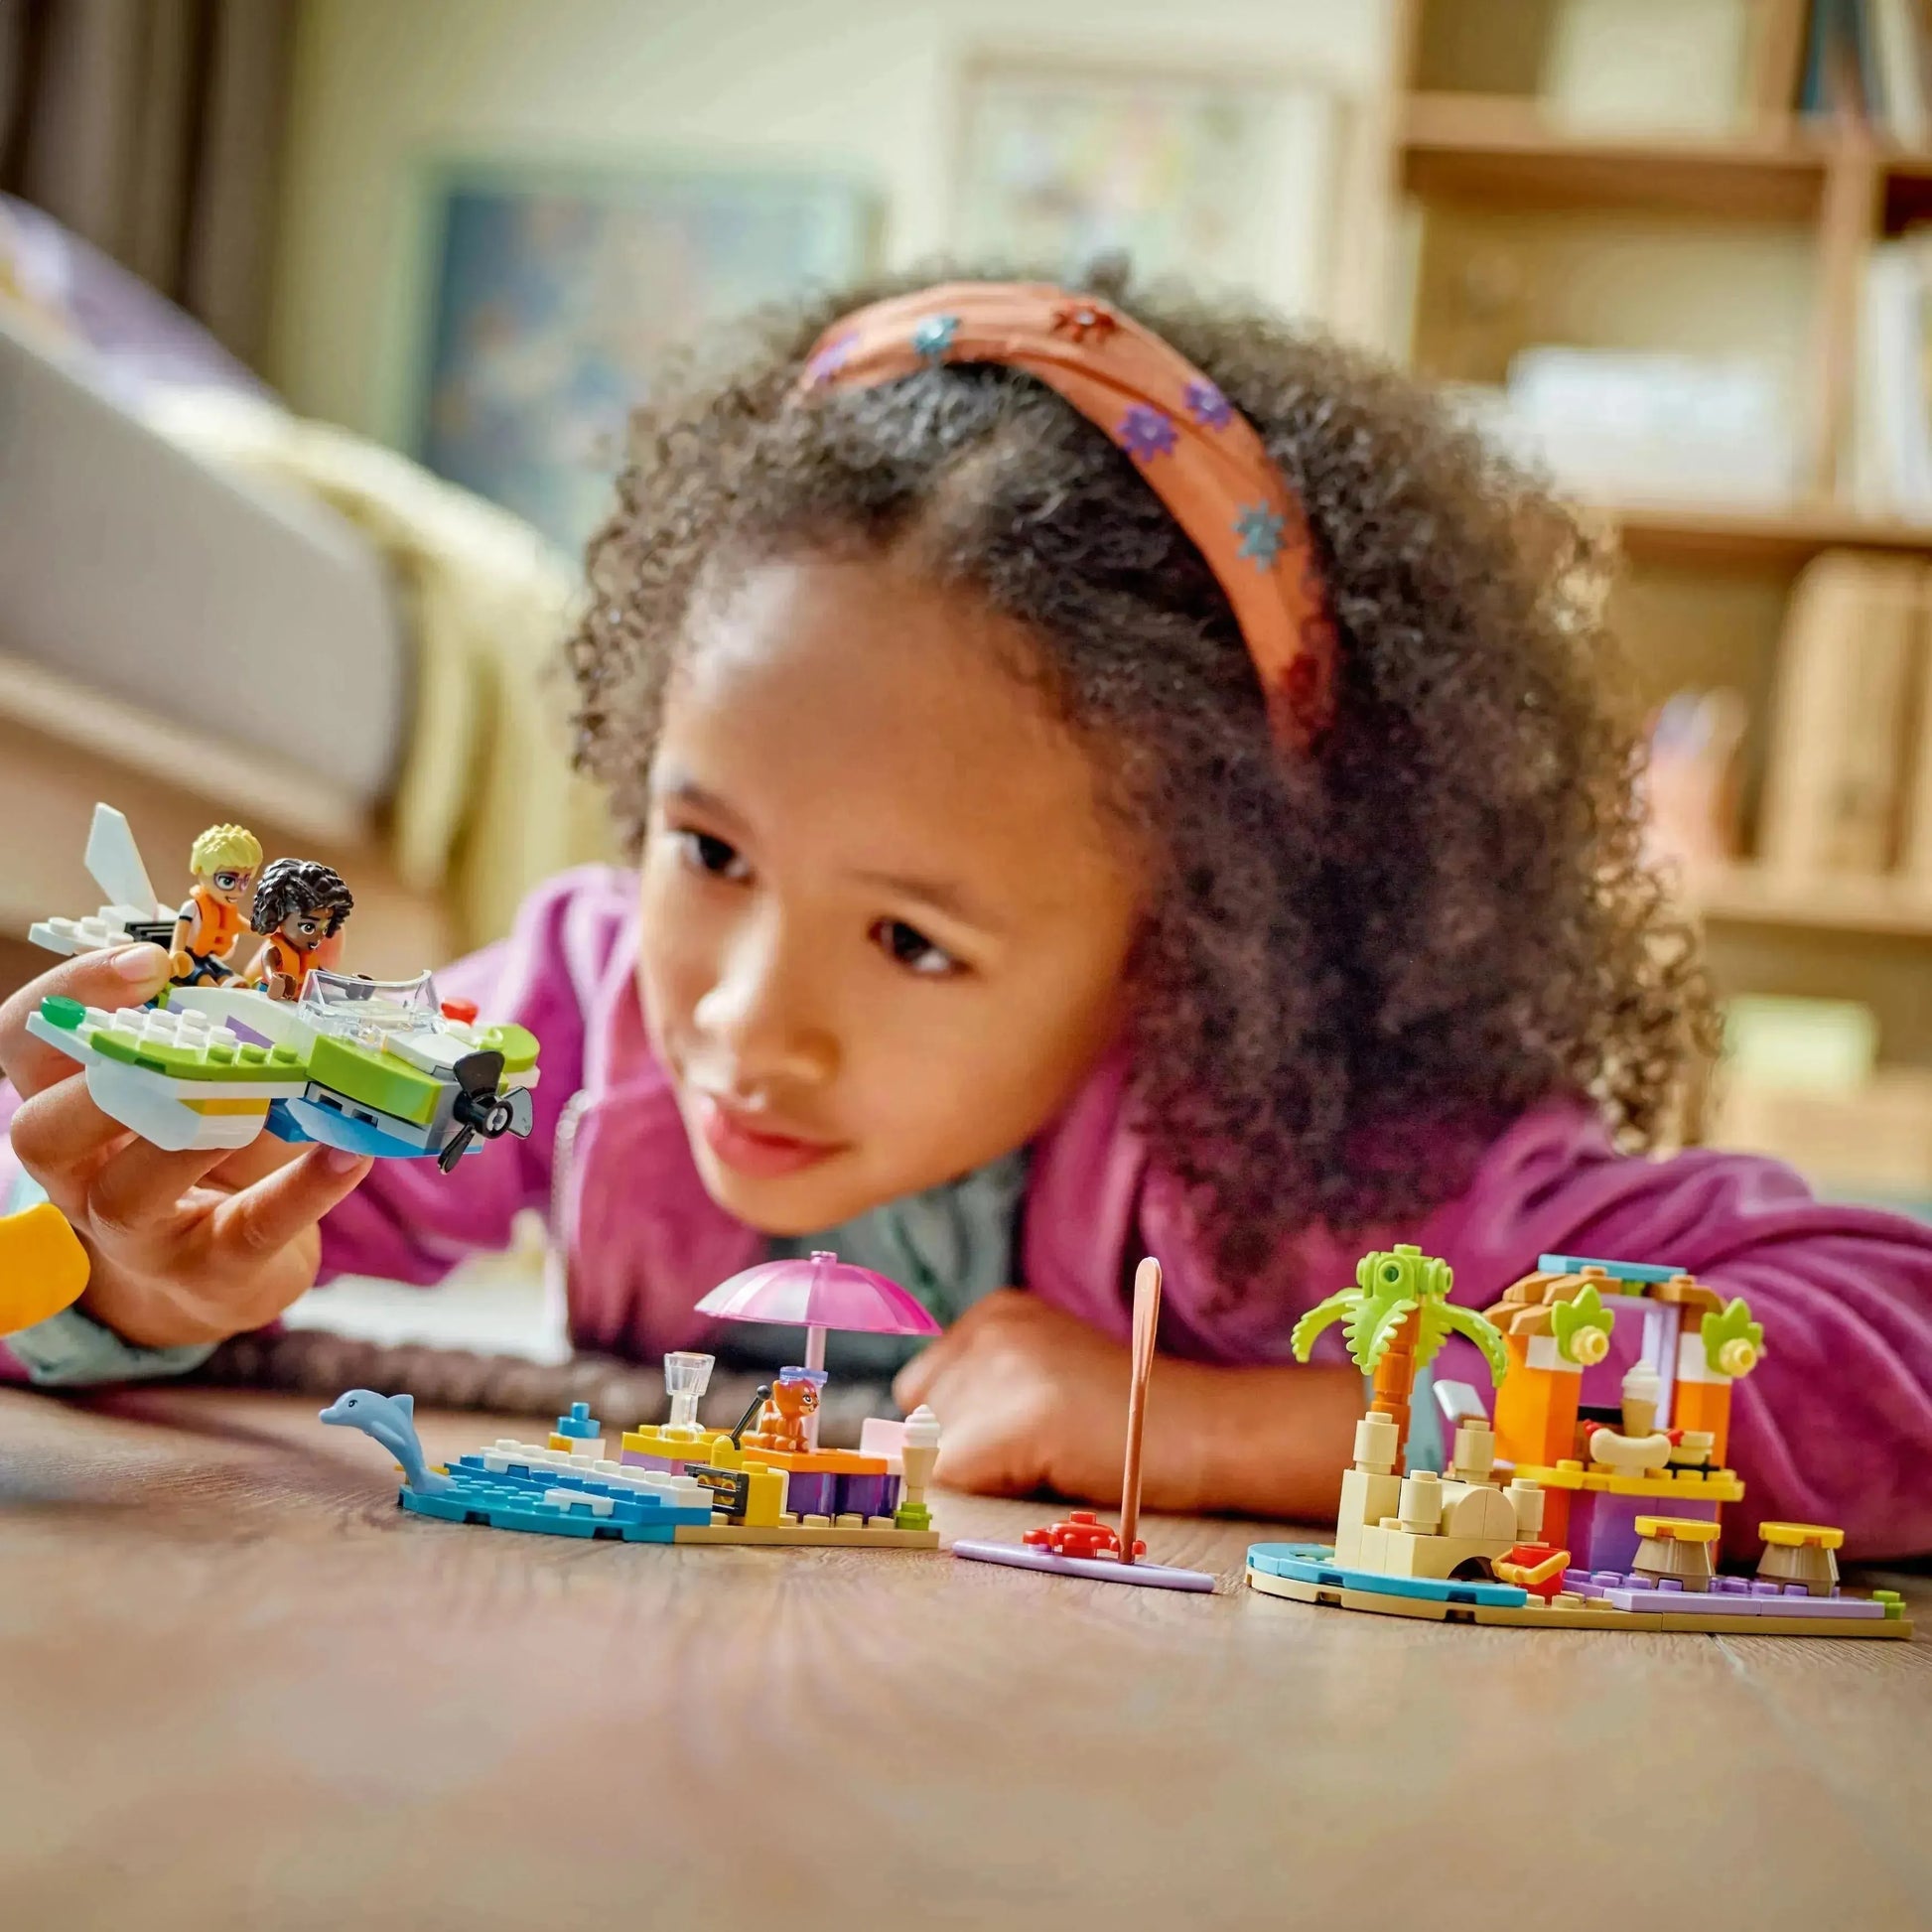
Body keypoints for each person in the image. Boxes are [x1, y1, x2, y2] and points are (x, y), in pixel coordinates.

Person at [3, 272, 1929, 1555]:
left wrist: (1217, 1426)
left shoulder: (1314, 1154)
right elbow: (107, 1219)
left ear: (1190, 936)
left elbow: (1887, 1343)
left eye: (912, 939)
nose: (742, 1024)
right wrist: (115, 1279)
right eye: (709, 849)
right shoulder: (581, 1011)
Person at [243, 858, 354, 1002]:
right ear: (280, 916)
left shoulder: (311, 957)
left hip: (296, 1001)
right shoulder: (274, 953)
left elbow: (323, 976)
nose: (318, 937)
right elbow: (268, 968)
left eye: (324, 928)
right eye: (308, 927)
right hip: (268, 996)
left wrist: (348, 985)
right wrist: (275, 979)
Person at [166, 823, 261, 986]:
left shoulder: (228, 913)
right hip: (188, 959)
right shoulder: (192, 908)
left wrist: (275, 931)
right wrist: (176, 953)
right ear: (202, 870)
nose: (238, 891)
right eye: (228, 881)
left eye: (245, 881)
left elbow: (252, 928)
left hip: (209, 958)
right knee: (205, 980)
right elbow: (180, 934)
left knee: (230, 979)